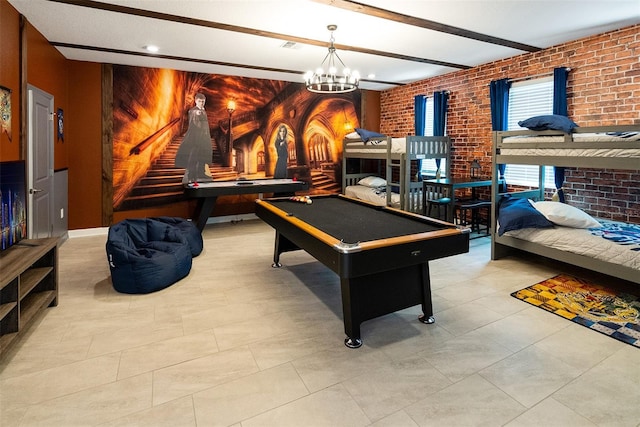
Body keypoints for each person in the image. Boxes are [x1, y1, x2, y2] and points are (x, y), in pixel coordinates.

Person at [175, 93, 213, 182]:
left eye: (203, 101)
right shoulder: (194, 111)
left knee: (203, 155)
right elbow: (195, 119)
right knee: (194, 156)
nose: (201, 103)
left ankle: (201, 173)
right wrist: (198, 114)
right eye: (199, 101)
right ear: (196, 101)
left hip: (203, 138)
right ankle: (191, 175)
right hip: (196, 138)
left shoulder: (203, 110)